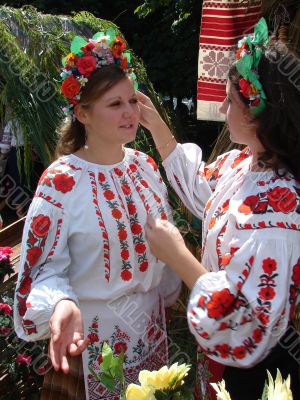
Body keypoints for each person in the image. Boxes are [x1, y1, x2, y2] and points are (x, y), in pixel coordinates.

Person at [14, 30, 181, 400]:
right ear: (82, 113)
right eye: (114, 104)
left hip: (150, 335)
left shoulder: (146, 168)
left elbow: (167, 256)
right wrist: (60, 303)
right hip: (89, 342)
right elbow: (42, 270)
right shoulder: (60, 182)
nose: (129, 113)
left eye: (131, 101)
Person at [139, 18, 300, 400]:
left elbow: (247, 327)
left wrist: (178, 258)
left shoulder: (280, 212)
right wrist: (156, 124)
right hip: (220, 353)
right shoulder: (247, 164)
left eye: (229, 99)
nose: (223, 107)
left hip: (255, 371)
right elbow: (203, 190)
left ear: (255, 114)